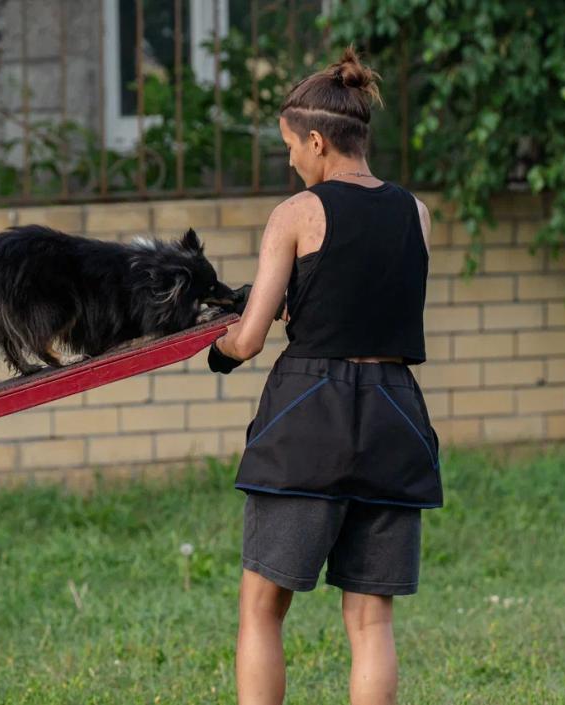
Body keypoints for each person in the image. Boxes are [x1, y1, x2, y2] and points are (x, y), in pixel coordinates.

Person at [208, 45, 442, 705]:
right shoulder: (416, 212)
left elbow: (249, 337)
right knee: (370, 619)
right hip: (395, 415)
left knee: (261, 603)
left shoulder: (296, 215)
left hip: (312, 413)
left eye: (290, 147)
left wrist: (219, 349)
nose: (289, 161)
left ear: (317, 141)